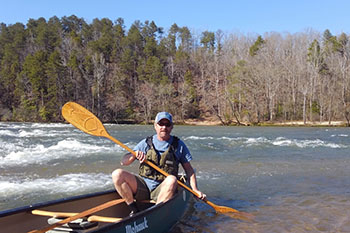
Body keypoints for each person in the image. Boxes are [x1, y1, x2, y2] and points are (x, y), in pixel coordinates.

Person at [112, 111, 206, 215]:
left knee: (172, 179)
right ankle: (134, 209)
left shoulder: (178, 145)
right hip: (144, 187)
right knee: (117, 174)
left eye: (167, 124)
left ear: (171, 127)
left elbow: (189, 170)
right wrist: (134, 155)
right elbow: (124, 162)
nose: (164, 127)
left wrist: (195, 190)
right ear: (155, 126)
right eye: (161, 124)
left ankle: (155, 214)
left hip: (163, 189)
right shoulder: (146, 143)